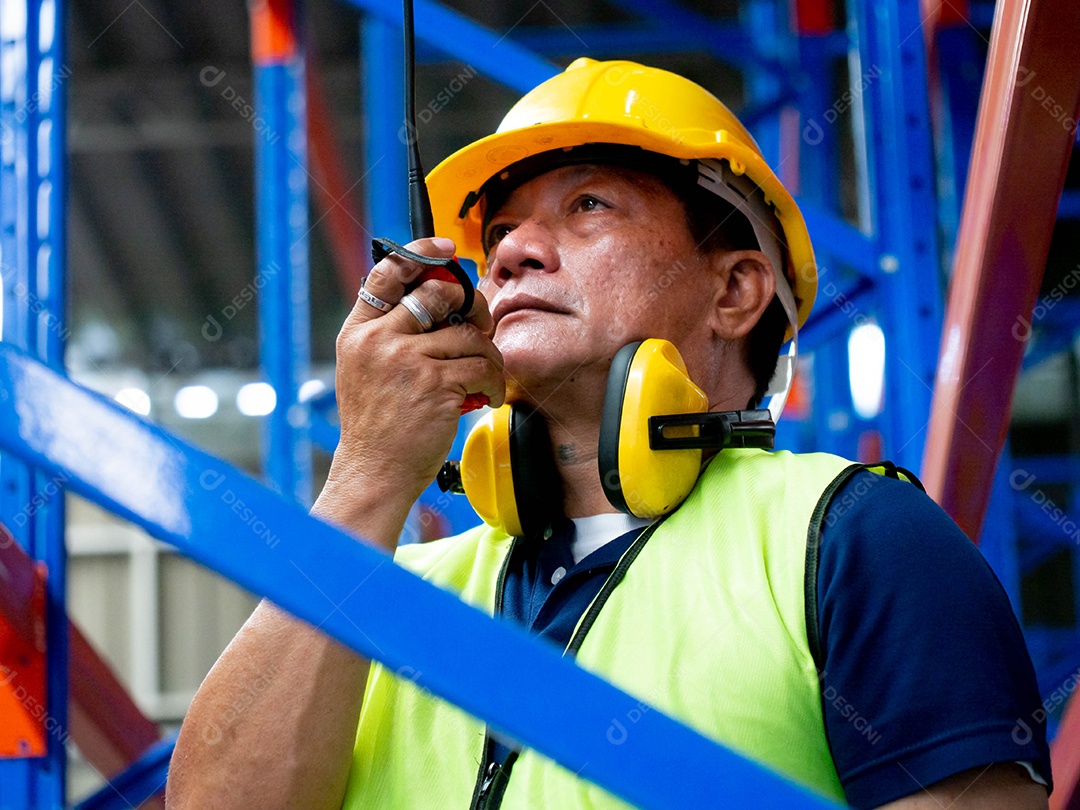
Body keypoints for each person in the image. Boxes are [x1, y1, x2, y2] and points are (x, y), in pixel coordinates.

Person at [167, 58, 1052, 809]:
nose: (512, 251)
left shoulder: (854, 537)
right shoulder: (384, 590)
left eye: (588, 206)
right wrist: (364, 479)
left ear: (735, 291)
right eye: (502, 232)